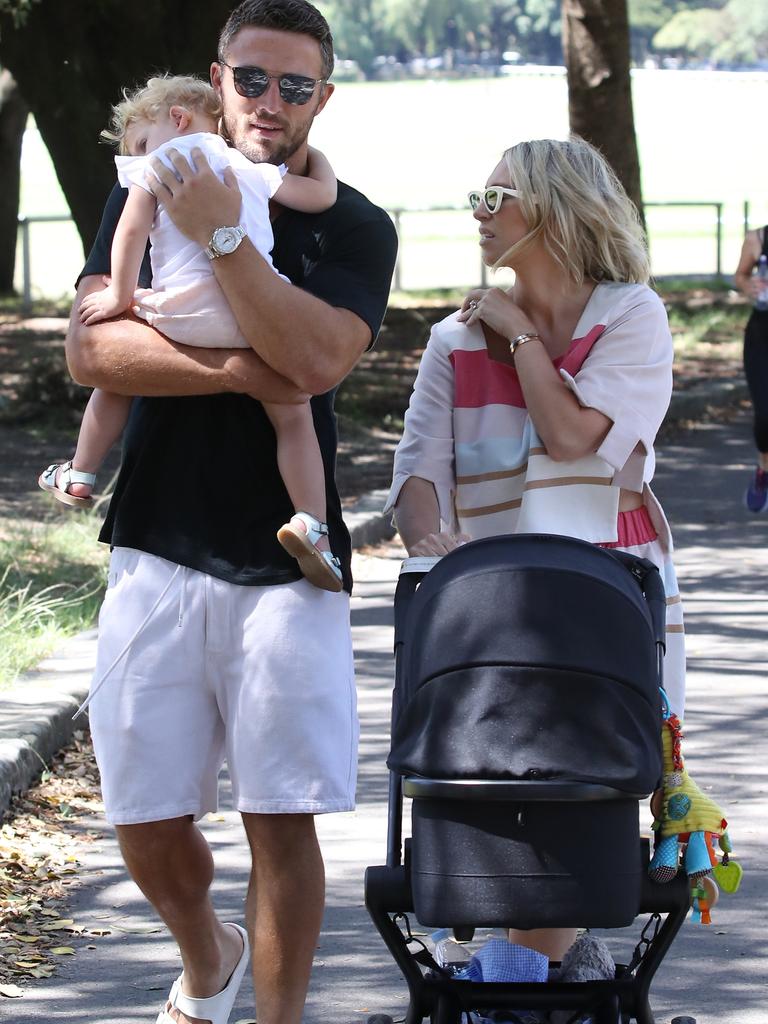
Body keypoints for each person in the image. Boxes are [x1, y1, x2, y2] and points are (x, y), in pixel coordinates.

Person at [64, 1, 397, 1022]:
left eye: (295, 85)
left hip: (292, 565)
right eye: (251, 79)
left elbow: (321, 356)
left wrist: (220, 232)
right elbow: (95, 351)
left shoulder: (351, 224)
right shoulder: (143, 181)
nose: (269, 101)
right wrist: (252, 371)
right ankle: (209, 950)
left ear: (323, 99)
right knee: (145, 820)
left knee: (280, 817)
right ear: (218, 79)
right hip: (157, 544)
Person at [385, 136, 686, 964]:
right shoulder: (454, 341)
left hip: (606, 594)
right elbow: (418, 470)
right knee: (498, 788)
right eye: (476, 200)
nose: (477, 216)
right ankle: (535, 981)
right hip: (492, 607)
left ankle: (508, 983)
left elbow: (572, 437)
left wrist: (517, 333)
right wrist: (426, 535)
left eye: (495, 200)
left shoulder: (632, 317)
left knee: (573, 791)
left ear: (550, 211)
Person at [39, 72, 344, 591]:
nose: (134, 155)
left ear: (176, 119)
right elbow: (320, 196)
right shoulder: (245, 163)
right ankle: (311, 523)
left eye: (138, 141)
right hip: (253, 312)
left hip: (182, 313)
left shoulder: (159, 164)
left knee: (116, 377)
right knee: (294, 418)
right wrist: (319, 159)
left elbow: (131, 229)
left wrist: (119, 297)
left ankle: (81, 471)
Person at [734, 224, 768, 513]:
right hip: (762, 336)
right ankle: (764, 468)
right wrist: (751, 286)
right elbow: (741, 276)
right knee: (765, 415)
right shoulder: (758, 239)